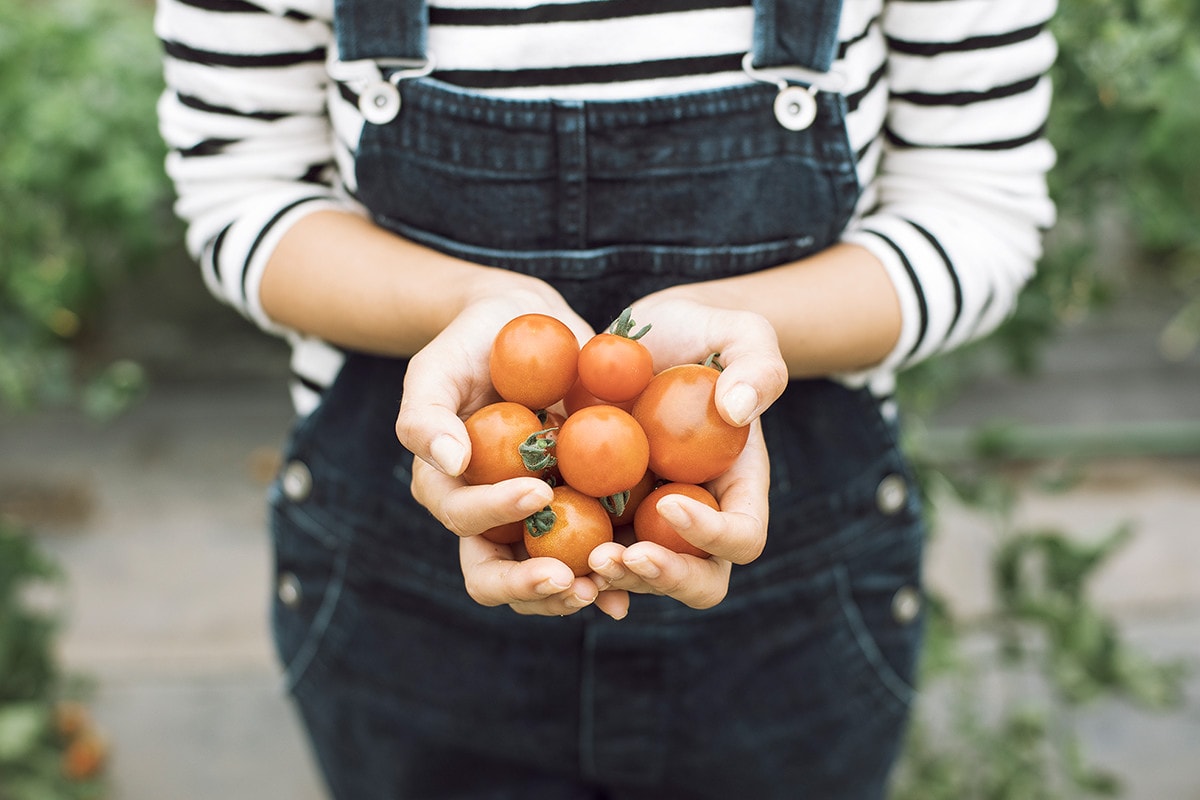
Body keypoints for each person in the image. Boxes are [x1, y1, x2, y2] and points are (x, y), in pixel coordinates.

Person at [155, 0, 1057, 797]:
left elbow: (980, 203)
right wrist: (464, 309)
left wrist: (744, 331)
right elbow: (240, 189)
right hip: (401, 592)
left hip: (796, 600)